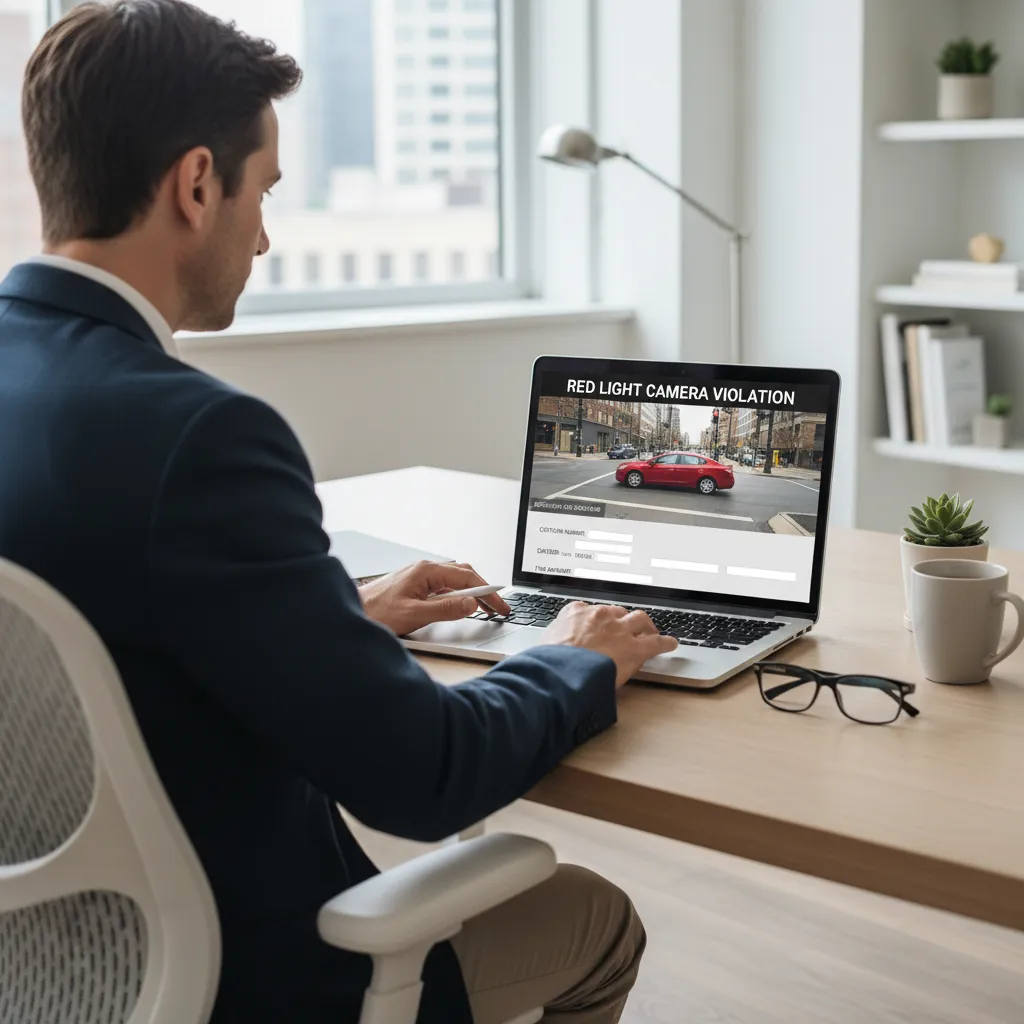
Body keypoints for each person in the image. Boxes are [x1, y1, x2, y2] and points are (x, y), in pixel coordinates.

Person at [0, 2, 677, 1022]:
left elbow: (95, 641)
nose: (264, 234)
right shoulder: (201, 437)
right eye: (262, 191)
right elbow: (425, 776)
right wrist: (575, 653)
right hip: (239, 976)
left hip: (40, 969)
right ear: (195, 184)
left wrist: (332, 620)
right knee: (596, 922)